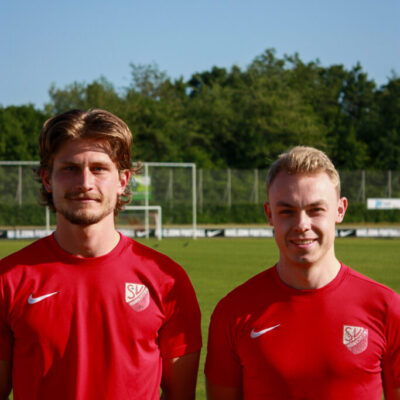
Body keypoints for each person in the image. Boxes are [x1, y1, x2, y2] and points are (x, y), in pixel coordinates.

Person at [0, 109, 202, 400]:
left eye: (98, 168)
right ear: (47, 179)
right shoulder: (7, 280)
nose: (85, 183)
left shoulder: (167, 280)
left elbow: (181, 395)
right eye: (70, 168)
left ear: (123, 180)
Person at [205, 146, 400, 400]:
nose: (301, 225)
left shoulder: (387, 308)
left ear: (340, 210)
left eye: (316, 210)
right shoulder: (232, 312)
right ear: (269, 214)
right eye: (287, 211)